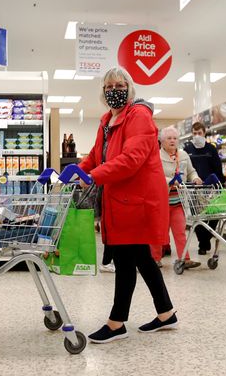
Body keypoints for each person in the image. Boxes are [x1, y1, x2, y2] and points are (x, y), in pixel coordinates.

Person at [78, 67, 177, 344]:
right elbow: (97, 156)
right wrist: (77, 169)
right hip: (121, 199)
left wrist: (93, 176)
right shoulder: (106, 120)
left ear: (129, 88)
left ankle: (116, 322)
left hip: (137, 199)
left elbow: (132, 159)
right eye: (108, 86)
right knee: (142, 259)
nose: (114, 91)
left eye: (119, 85)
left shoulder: (140, 116)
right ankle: (166, 313)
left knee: (124, 259)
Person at [153, 126, 202, 270]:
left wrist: (196, 178)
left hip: (179, 200)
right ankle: (155, 259)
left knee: (180, 231)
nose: (172, 141)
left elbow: (191, 172)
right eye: (169, 138)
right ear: (162, 141)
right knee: (159, 232)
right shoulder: (156, 156)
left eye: (175, 138)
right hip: (161, 201)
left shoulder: (184, 155)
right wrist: (169, 180)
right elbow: (154, 176)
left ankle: (184, 259)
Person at [183, 121, 225, 255]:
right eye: (194, 133)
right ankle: (203, 243)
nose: (197, 136)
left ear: (204, 133)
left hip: (211, 189)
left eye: (199, 133)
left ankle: (206, 238)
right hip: (194, 190)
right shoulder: (187, 150)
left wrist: (220, 186)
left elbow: (218, 170)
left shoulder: (211, 149)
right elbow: (186, 170)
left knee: (214, 216)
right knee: (197, 217)